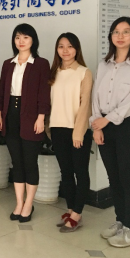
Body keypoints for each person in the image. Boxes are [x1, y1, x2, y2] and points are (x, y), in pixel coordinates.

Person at [91, 17, 130, 248]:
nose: (120, 36)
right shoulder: (104, 64)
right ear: (111, 36)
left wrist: (106, 120)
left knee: (127, 177)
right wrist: (96, 124)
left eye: (126, 32)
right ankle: (120, 220)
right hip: (103, 124)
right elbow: (95, 97)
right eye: (116, 31)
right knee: (113, 177)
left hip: (127, 125)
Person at [0, 24, 50, 223]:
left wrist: (41, 118)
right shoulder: (8, 64)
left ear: (33, 40)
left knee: (29, 162)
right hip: (11, 115)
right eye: (17, 37)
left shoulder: (41, 64)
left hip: (31, 117)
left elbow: (44, 94)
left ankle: (29, 204)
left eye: (25, 37)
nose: (21, 41)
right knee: (16, 162)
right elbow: (1, 92)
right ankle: (19, 203)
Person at [49, 33, 93, 233]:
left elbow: (85, 105)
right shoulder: (54, 72)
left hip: (77, 130)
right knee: (66, 172)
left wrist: (78, 133)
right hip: (58, 129)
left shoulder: (84, 72)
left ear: (77, 49)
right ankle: (70, 209)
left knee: (80, 172)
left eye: (70, 46)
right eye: (61, 46)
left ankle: (77, 213)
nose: (65, 50)